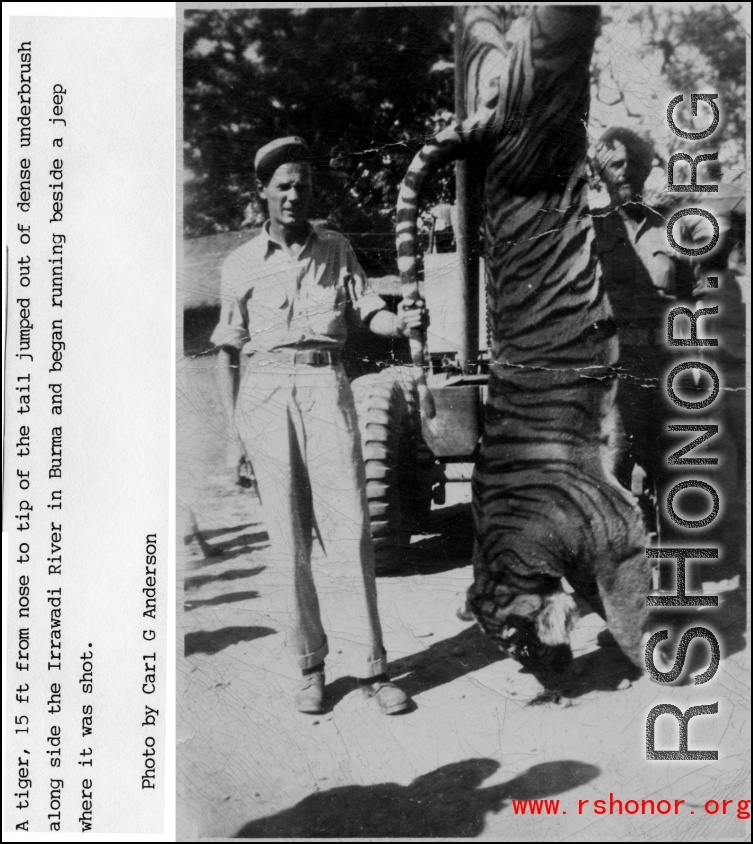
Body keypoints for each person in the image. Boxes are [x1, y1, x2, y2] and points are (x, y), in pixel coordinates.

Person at [211, 137, 428, 715]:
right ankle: (311, 668)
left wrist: (399, 321)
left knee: (352, 529)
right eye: (282, 185)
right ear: (263, 192)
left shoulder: (336, 248)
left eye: (302, 185)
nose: (292, 194)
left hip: (325, 386)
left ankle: (373, 668)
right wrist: (235, 437)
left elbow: (369, 311)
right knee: (288, 541)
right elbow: (228, 352)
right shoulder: (238, 265)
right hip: (264, 393)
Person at [591, 128, 687, 513]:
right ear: (602, 172)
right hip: (610, 366)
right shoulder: (588, 228)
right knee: (615, 456)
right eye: (616, 164)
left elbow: (688, 298)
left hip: (664, 361)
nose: (625, 171)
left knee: (673, 462)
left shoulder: (671, 228)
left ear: (647, 172)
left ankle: (673, 559)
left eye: (634, 164)